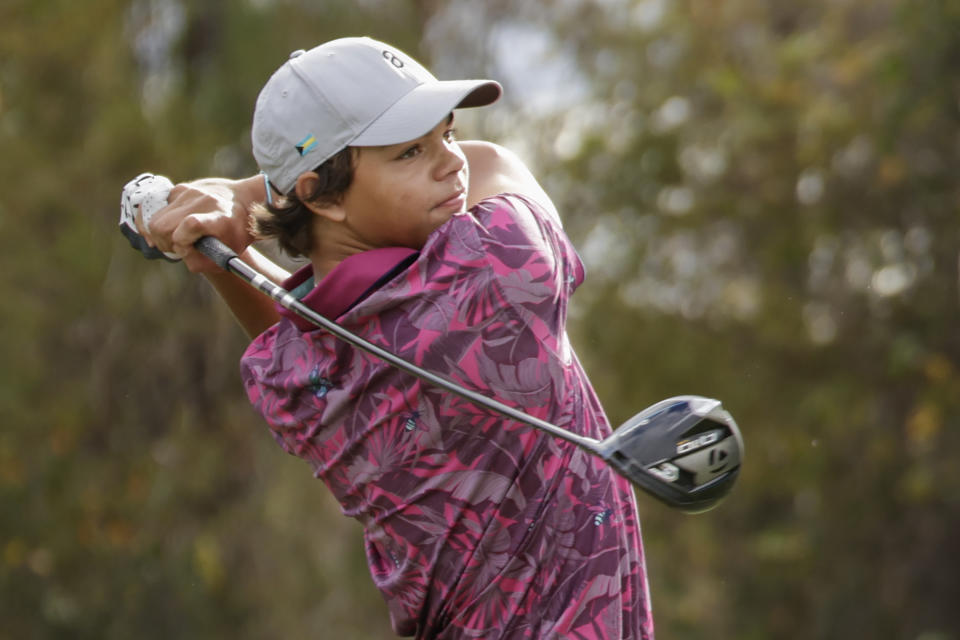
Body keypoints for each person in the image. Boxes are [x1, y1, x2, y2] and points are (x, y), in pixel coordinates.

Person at [138, 36, 654, 639]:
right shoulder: (500, 266)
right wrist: (246, 192)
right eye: (411, 151)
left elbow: (305, 322)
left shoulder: (287, 380)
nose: (452, 162)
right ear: (322, 195)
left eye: (448, 134)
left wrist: (231, 227)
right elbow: (497, 163)